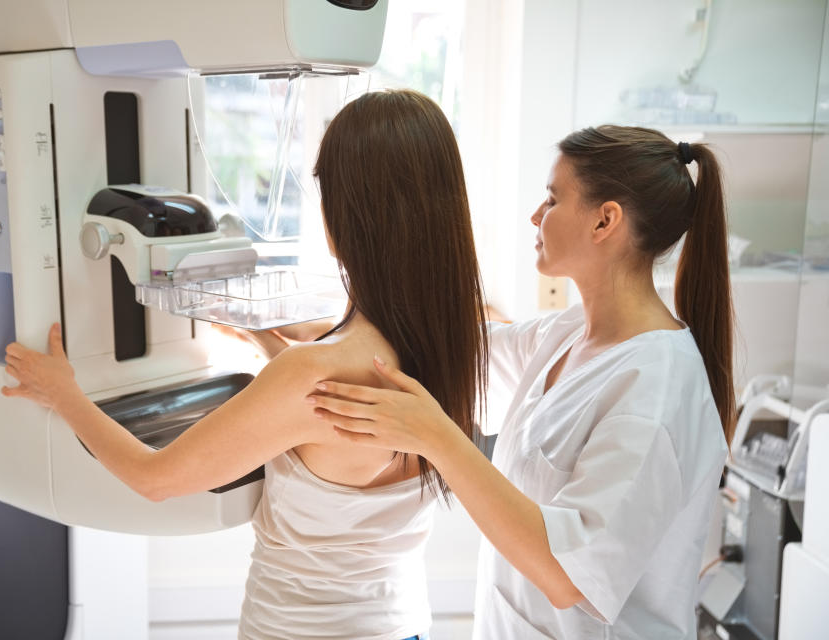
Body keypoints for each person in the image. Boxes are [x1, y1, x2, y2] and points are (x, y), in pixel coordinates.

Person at [0, 89, 488, 640]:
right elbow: (338, 421)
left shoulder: (311, 374)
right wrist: (263, 338)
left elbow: (155, 479)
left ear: (343, 221)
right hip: (403, 626)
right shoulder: (454, 343)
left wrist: (65, 393)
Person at [307, 125, 733, 639]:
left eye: (552, 199)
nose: (536, 215)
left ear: (605, 220)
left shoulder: (656, 390)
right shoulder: (570, 333)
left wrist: (437, 436)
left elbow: (568, 576)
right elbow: (458, 355)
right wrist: (295, 336)